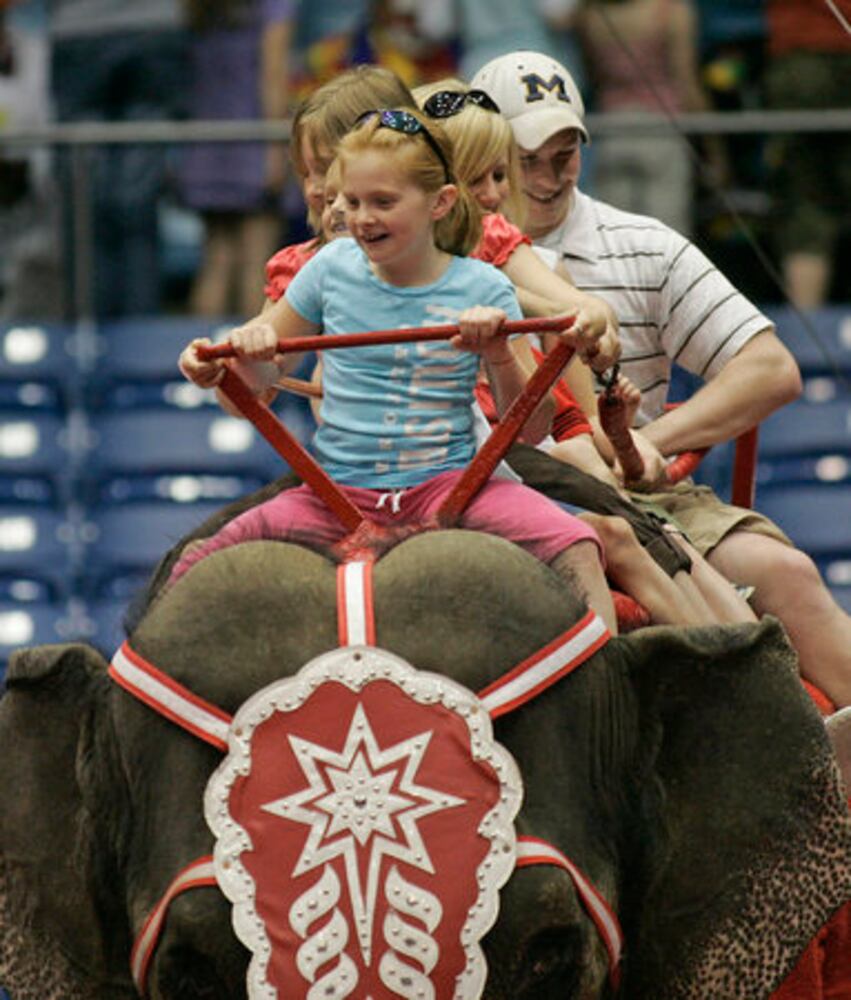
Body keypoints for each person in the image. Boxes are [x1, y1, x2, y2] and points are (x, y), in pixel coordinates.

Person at [470, 48, 851, 708]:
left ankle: (808, 751)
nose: (546, 176)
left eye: (564, 154)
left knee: (783, 571)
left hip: (629, 490)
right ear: (481, 158)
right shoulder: (429, 251)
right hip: (487, 492)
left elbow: (769, 368)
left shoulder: (641, 244)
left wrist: (652, 441)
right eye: (524, 159)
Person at [176, 107, 620, 632]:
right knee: (192, 566)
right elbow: (245, 395)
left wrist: (498, 352)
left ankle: (605, 699)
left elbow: (533, 427)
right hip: (334, 493)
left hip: (451, 488)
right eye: (354, 201)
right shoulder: (327, 269)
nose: (361, 218)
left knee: (579, 548)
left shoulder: (485, 286)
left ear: (441, 203)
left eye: (383, 202)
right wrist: (235, 363)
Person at [414, 77, 754, 627]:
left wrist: (590, 324)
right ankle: (721, 655)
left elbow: (567, 392)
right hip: (481, 451)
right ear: (439, 188)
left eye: (501, 174)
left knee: (651, 530)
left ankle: (738, 652)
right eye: (479, 178)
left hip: (533, 438)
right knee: (621, 525)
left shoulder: (500, 246)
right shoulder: (395, 264)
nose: (497, 192)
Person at [47, 0, 188, 317]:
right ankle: (139, 345)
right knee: (136, 200)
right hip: (154, 30)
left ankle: (88, 338)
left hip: (80, 32)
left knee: (85, 199)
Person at [179, 0, 295, 317]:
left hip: (206, 145)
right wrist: (275, 146)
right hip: (254, 141)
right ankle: (251, 362)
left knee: (217, 259)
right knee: (257, 264)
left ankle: (199, 360)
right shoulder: (273, 6)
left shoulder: (198, 8)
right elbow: (273, 73)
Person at [574, 0, 723, 236]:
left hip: (612, 132)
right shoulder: (673, 12)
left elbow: (592, 77)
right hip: (662, 133)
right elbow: (686, 84)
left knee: (616, 241)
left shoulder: (590, 15)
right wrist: (714, 150)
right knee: (669, 239)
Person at [763, 0, 851, 309]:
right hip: (802, 58)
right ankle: (806, 337)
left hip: (801, 62)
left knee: (805, 203)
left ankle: (805, 330)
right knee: (804, 198)